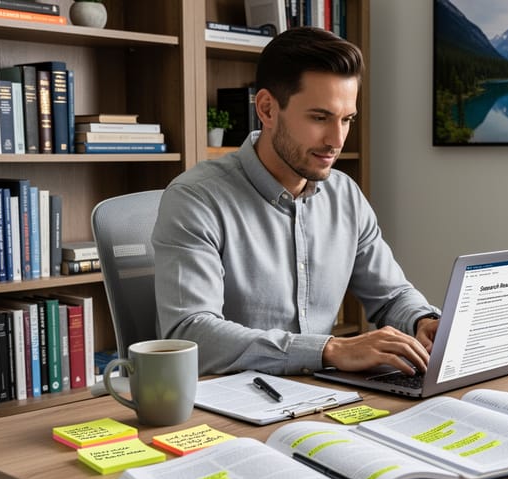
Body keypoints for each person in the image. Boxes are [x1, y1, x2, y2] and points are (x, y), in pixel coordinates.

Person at [152, 26, 440, 377]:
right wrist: (328, 349)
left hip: (322, 399)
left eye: (346, 119)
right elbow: (190, 333)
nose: (336, 140)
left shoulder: (345, 195)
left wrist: (423, 320)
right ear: (267, 109)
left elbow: (391, 296)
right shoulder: (197, 199)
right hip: (232, 408)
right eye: (319, 118)